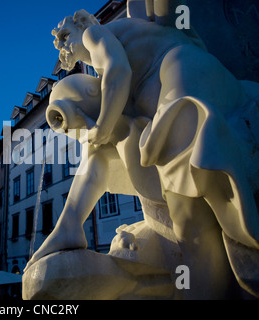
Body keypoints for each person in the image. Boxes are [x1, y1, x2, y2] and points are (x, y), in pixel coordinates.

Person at [27, 7, 259, 298]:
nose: (62, 46)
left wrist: (102, 124)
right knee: (178, 192)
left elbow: (118, 71)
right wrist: (100, 130)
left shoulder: (95, 34)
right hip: (174, 84)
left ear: (81, 24)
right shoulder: (107, 70)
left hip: (181, 70)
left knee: (180, 153)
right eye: (58, 43)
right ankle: (69, 226)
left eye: (64, 36)